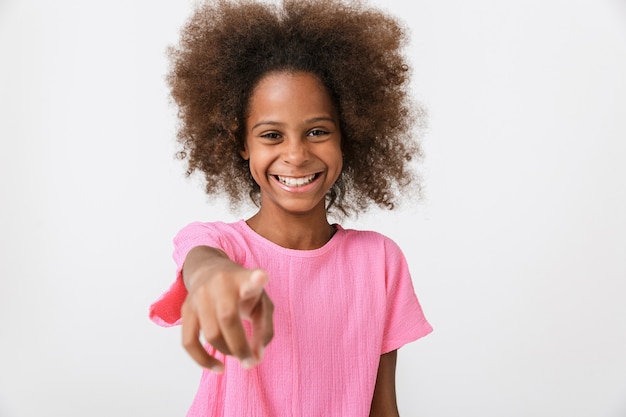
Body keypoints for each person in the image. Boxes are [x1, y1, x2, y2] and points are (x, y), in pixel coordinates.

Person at [149, 0, 433, 415]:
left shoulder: (380, 261)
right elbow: (200, 261)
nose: (296, 155)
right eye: (271, 135)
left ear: (347, 136)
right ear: (242, 143)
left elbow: (383, 407)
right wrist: (215, 275)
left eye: (317, 131)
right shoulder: (221, 245)